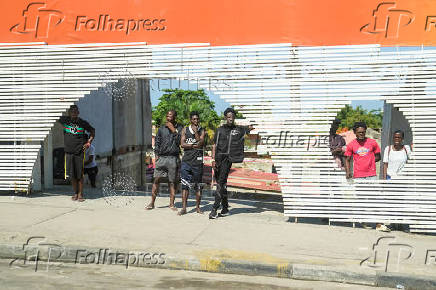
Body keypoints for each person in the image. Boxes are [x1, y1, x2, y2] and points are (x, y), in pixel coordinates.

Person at [209, 108, 254, 219]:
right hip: (218, 160)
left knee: (220, 183)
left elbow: (251, 127)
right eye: (229, 117)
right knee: (222, 184)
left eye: (232, 117)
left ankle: (214, 209)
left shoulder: (238, 129)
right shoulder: (219, 130)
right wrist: (213, 160)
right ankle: (225, 209)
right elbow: (214, 145)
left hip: (228, 160)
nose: (231, 119)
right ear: (225, 118)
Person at [345, 122, 389, 231]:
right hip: (358, 176)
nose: (361, 134)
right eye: (359, 132)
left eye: (363, 132)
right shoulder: (351, 144)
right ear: (355, 132)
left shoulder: (372, 142)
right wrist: (347, 172)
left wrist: (370, 162)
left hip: (371, 175)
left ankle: (379, 224)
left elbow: (378, 156)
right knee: (362, 199)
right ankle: (364, 221)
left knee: (375, 199)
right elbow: (347, 159)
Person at [146, 110, 183, 211]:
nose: (168, 117)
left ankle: (171, 204)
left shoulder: (180, 127)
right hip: (161, 158)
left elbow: (180, 141)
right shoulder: (162, 128)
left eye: (170, 116)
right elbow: (157, 141)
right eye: (167, 116)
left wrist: (173, 130)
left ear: (175, 116)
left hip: (173, 158)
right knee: (156, 180)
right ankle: (152, 203)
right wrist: (157, 154)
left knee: (172, 182)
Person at [58, 105, 95, 202]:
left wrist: (88, 142)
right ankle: (75, 192)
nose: (74, 113)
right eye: (72, 111)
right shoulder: (65, 120)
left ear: (78, 112)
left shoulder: (82, 123)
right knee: (72, 175)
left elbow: (92, 131)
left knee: (79, 174)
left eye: (75, 111)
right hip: (68, 152)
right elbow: (55, 113)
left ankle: (80, 194)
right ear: (69, 113)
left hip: (79, 152)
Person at [178, 111, 206, 215]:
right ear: (191, 120)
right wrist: (192, 145)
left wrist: (195, 133)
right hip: (186, 161)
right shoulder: (185, 129)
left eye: (197, 119)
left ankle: (198, 207)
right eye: (194, 119)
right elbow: (182, 144)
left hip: (197, 162)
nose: (196, 121)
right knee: (185, 185)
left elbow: (200, 143)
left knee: (198, 185)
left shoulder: (202, 130)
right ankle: (184, 208)